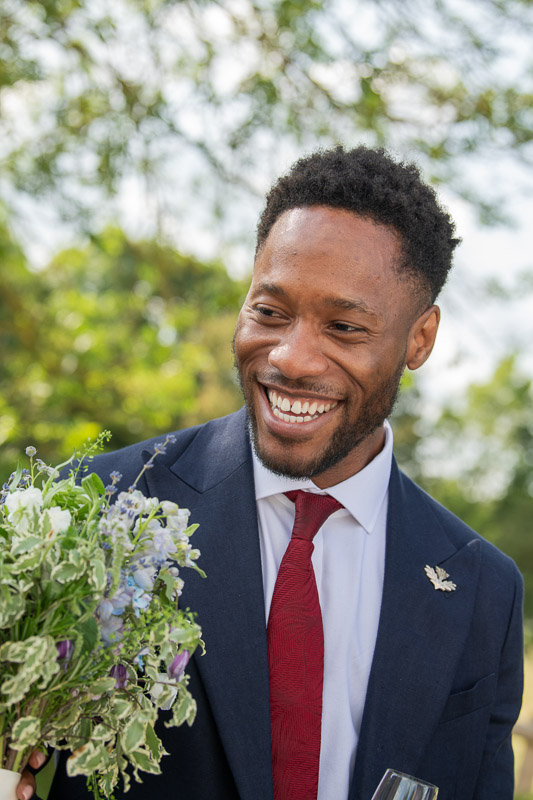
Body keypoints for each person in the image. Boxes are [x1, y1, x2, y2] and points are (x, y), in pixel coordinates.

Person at [19, 146, 523, 800]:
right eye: (269, 312)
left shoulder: (482, 589)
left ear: (419, 338)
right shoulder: (87, 515)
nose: (290, 358)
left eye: (343, 327)